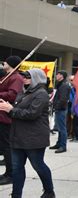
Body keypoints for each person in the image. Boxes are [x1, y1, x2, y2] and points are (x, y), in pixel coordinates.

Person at [0, 69, 55, 198]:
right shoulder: (24, 92)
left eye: (28, 76)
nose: (24, 77)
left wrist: (11, 110)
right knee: (17, 168)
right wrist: (8, 105)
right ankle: (16, 194)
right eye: (23, 75)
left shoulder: (41, 94)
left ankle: (49, 191)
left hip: (33, 138)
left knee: (38, 165)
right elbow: (18, 109)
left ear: (37, 78)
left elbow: (31, 114)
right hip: (18, 136)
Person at [0, 56, 24, 185]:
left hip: (6, 116)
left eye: (5, 61)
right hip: (1, 115)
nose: (3, 63)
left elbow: (12, 95)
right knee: (4, 146)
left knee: (7, 146)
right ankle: (7, 172)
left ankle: (11, 174)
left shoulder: (16, 78)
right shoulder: (8, 76)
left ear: (10, 64)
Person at [49, 71, 70, 154]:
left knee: (62, 128)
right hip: (59, 109)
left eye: (58, 74)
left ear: (62, 76)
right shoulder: (60, 84)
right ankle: (59, 144)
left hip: (61, 109)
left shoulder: (64, 86)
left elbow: (63, 99)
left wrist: (56, 107)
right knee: (60, 128)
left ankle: (63, 146)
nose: (56, 76)